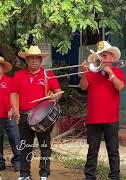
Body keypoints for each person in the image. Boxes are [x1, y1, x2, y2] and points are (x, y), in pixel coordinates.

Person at [11, 45, 62, 180]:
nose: (34, 61)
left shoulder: (48, 74)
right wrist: (15, 110)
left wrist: (54, 97)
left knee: (45, 146)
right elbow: (14, 94)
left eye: (37, 58)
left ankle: (44, 174)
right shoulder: (18, 75)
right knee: (25, 146)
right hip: (24, 115)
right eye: (31, 58)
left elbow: (58, 92)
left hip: (42, 117)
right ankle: (25, 174)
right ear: (26, 60)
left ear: (41, 60)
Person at [80, 41, 125, 180]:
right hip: (93, 118)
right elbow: (83, 87)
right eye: (101, 56)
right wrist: (84, 73)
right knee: (92, 150)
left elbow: (120, 87)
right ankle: (89, 176)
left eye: (105, 55)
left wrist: (110, 73)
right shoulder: (92, 72)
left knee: (113, 150)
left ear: (112, 58)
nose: (103, 58)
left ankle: (115, 176)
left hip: (111, 119)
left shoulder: (117, 72)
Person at [0, 56, 21, 172]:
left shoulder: (9, 80)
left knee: (14, 137)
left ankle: (18, 160)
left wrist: (14, 110)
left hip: (9, 115)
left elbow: (16, 96)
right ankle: (0, 162)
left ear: (3, 67)